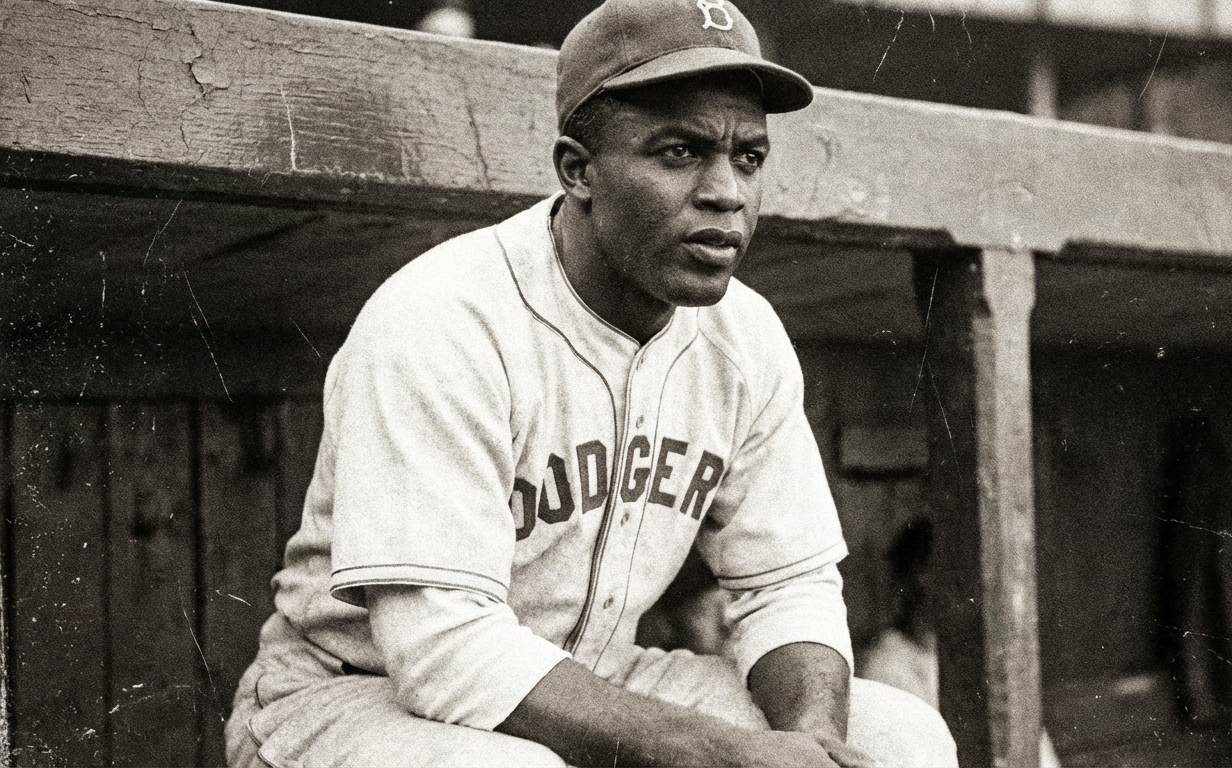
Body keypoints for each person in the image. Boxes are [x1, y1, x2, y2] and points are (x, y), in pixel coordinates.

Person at [225, 1, 957, 766]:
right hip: (348, 693)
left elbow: (788, 584)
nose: (727, 193)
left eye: (748, 157)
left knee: (899, 736)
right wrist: (719, 754)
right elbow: (441, 645)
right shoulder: (444, 315)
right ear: (578, 170)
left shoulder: (746, 335)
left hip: (593, 674)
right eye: (680, 152)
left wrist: (812, 744)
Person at [858, 520, 1058, 767]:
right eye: (959, 570)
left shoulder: (980, 657)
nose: (973, 584)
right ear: (921, 575)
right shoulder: (889, 667)